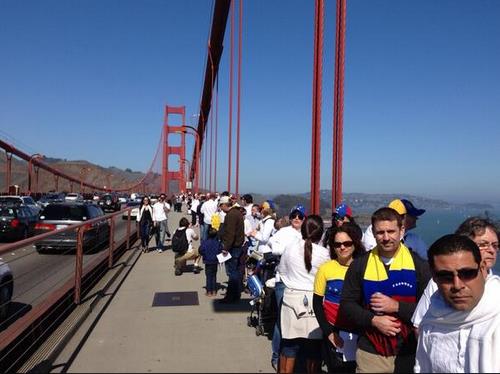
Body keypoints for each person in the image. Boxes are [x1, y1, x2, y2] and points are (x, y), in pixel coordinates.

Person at [339, 207, 431, 373]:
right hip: (371, 352)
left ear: (401, 230)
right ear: (373, 233)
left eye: (391, 231)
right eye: (380, 232)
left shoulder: (420, 266)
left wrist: (397, 306)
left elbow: (430, 310)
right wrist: (373, 320)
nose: (386, 238)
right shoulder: (360, 265)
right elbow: (346, 304)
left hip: (409, 351)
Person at [414, 234, 500, 373]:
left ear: (483, 269)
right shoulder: (431, 320)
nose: (457, 285)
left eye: (467, 273)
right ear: (434, 277)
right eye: (445, 276)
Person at [412, 216, 499, 328]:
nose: (491, 250)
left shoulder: (496, 288)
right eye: (483, 244)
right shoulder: (437, 284)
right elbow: (420, 324)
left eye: (495, 245)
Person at [278, 215, 330, 374]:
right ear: (321, 233)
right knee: (313, 349)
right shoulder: (324, 254)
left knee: (288, 347)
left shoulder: (290, 248)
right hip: (315, 301)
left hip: (291, 299)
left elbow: (282, 271)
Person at [313, 223, 365, 373]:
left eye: (347, 243)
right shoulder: (325, 268)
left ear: (355, 244)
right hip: (334, 332)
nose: (342, 247)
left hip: (360, 333)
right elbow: (317, 303)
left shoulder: (363, 267)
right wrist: (329, 332)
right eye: (337, 244)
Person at [268, 205, 306, 371]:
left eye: (300, 216)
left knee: (301, 320)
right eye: (294, 215)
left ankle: (294, 357)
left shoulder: (307, 234)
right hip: (284, 280)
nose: (297, 218)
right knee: (282, 320)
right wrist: (289, 250)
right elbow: (271, 246)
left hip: (302, 282)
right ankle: (277, 356)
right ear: (290, 217)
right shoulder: (283, 232)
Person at [362, 199, 427, 257]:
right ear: (402, 218)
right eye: (413, 215)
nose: (416, 218)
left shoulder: (413, 238)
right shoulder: (372, 231)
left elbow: (425, 258)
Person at [218, 196, 245, 303]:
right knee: (236, 271)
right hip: (237, 245)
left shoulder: (231, 215)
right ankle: (236, 293)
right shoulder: (237, 213)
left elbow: (230, 233)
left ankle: (231, 296)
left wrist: (226, 248)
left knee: (232, 271)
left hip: (233, 247)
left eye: (220, 205)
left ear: (225, 205)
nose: (220, 208)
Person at [199, 228, 223, 296]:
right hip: (215, 261)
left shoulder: (205, 242)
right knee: (214, 276)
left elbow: (200, 250)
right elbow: (220, 250)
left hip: (208, 261)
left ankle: (209, 291)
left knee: (208, 276)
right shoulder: (218, 243)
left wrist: (204, 254)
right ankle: (214, 290)